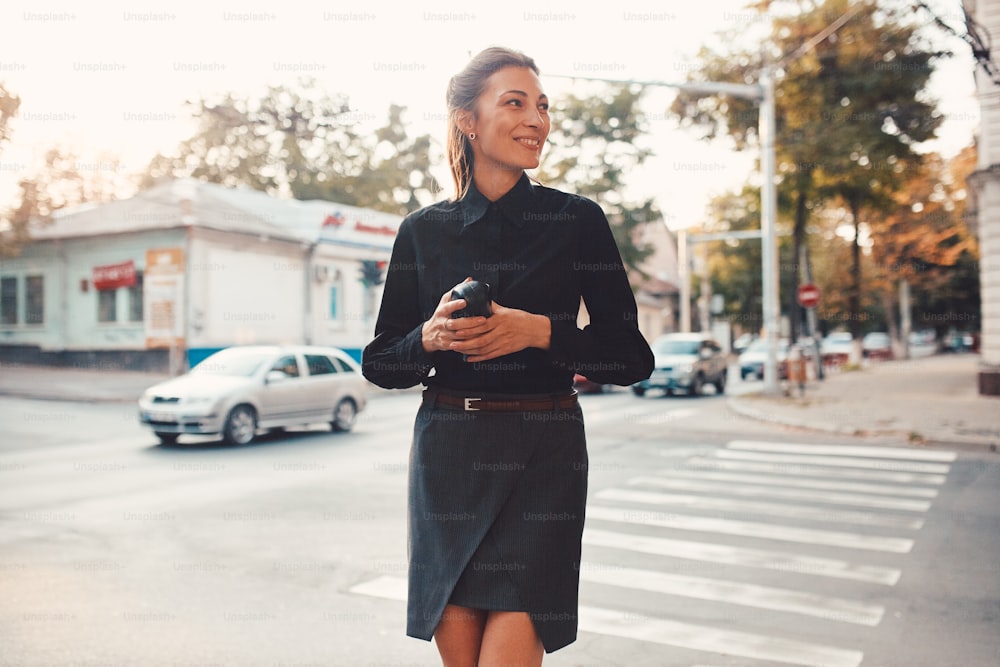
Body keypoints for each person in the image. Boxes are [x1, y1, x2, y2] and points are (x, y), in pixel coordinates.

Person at [362, 46, 653, 667]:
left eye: (543, 106)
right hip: (449, 454)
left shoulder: (577, 221)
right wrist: (429, 339)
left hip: (543, 452)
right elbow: (382, 362)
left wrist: (540, 332)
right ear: (467, 119)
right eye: (515, 103)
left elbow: (630, 358)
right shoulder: (422, 230)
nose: (536, 120)